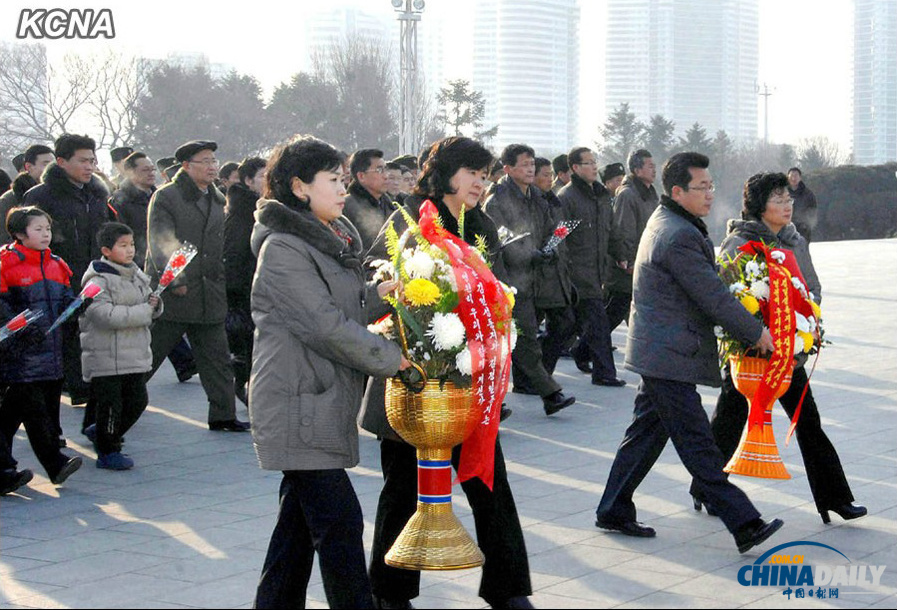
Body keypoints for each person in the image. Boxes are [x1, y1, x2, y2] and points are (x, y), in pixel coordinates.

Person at [361, 136, 535, 610]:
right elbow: (375, 284)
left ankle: (509, 589)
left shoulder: (480, 226)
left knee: (488, 482)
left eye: (486, 174)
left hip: (470, 382)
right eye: (473, 173)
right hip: (416, 382)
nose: (482, 182)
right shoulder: (409, 221)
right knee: (403, 488)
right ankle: (389, 593)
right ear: (446, 174)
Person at [595, 152, 784, 554]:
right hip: (667, 354)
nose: (710, 193)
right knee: (698, 442)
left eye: (711, 185)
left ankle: (612, 507)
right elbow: (711, 295)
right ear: (677, 191)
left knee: (645, 434)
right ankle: (745, 522)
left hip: (660, 350)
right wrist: (755, 331)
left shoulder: (671, 222)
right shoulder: (678, 234)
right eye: (702, 187)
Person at [249, 135, 408, 609]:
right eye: (333, 180)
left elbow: (345, 304)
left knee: (295, 534)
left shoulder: (324, 237)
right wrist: (392, 360)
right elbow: (324, 326)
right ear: (299, 187)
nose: (343, 189)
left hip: (317, 397)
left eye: (343, 179)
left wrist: (388, 293)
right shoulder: (284, 248)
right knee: (339, 526)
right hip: (297, 401)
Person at [694, 172, 866, 525]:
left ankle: (834, 498)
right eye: (778, 200)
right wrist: (755, 331)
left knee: (808, 420)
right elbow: (727, 296)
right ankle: (706, 487)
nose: (787, 206)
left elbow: (810, 286)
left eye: (789, 199)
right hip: (750, 353)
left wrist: (808, 323)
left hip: (788, 352)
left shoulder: (793, 240)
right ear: (759, 206)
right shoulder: (738, 242)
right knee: (730, 421)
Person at [145, 140, 248, 432]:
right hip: (175, 294)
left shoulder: (216, 198)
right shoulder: (167, 197)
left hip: (209, 293)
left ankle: (223, 415)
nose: (213, 165)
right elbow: (161, 241)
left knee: (217, 359)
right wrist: (176, 279)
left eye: (214, 160)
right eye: (205, 161)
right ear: (187, 166)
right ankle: (108, 415)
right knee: (146, 357)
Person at [486, 144, 576, 415]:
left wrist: (552, 245)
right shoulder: (496, 200)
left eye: (531, 164)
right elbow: (500, 237)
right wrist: (530, 253)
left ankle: (528, 389)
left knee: (542, 331)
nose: (530, 170)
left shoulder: (536, 195)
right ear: (508, 168)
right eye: (524, 165)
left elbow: (552, 226)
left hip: (537, 277)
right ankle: (550, 393)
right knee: (524, 339)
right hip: (511, 280)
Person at [22, 134, 112, 407]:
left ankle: (90, 396)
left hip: (94, 278)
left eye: (92, 160)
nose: (90, 166)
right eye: (83, 160)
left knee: (95, 340)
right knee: (60, 344)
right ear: (61, 162)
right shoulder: (40, 197)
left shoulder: (98, 194)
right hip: (54, 280)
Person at [0, 207, 83, 486]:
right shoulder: (6, 263)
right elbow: (3, 309)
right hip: (18, 354)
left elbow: (66, 301)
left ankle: (3, 471)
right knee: (35, 411)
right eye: (38, 229)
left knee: (11, 415)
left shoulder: (57, 264)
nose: (45, 234)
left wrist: (78, 306)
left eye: (47, 228)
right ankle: (54, 463)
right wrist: (20, 327)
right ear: (19, 233)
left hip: (51, 351)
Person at [79, 223, 162, 470]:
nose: (130, 251)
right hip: (107, 356)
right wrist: (145, 311)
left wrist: (156, 305)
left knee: (138, 401)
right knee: (111, 406)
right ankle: (108, 451)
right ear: (106, 250)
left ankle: (103, 432)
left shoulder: (135, 273)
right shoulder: (97, 280)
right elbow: (103, 314)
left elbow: (149, 305)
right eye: (123, 246)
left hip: (134, 353)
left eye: (132, 245)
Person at [558, 147, 624, 387]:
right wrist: (565, 268)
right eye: (588, 163)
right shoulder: (567, 198)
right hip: (576, 273)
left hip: (597, 272)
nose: (594, 167)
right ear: (575, 168)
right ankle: (604, 373)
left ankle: (544, 369)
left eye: (595, 162)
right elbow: (559, 236)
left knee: (569, 326)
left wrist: (620, 255)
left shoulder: (601, 196)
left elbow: (612, 229)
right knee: (593, 323)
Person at [224, 156, 267, 405]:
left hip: (257, 284)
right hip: (245, 288)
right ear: (248, 181)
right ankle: (242, 384)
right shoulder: (243, 211)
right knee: (249, 344)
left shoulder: (261, 207)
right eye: (262, 176)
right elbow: (234, 254)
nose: (267, 181)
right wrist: (237, 292)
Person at [605, 149, 659, 333]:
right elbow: (623, 230)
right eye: (650, 166)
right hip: (627, 267)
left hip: (643, 262)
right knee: (614, 313)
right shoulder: (627, 194)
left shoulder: (650, 193)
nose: (654, 170)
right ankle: (583, 350)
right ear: (637, 170)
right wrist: (626, 260)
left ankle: (585, 350)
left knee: (625, 314)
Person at [533, 156, 576, 377]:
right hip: (537, 274)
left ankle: (543, 372)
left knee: (564, 323)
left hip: (556, 271)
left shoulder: (554, 200)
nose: (550, 179)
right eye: (545, 174)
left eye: (551, 174)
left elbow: (561, 232)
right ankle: (535, 377)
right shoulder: (532, 201)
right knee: (530, 330)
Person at [0, 144, 55, 244]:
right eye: (45, 164)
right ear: (28, 167)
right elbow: (3, 239)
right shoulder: (9, 200)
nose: (50, 169)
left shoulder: (60, 195)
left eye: (53, 164)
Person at [343, 148, 394, 250]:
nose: (386, 176)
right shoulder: (346, 207)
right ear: (361, 176)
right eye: (379, 170)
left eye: (386, 169)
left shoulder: (390, 204)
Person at [786, 167, 818, 242]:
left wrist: (807, 224)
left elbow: (812, 211)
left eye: (796, 176)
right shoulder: (782, 193)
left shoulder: (808, 194)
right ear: (788, 177)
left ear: (800, 178)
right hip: (786, 228)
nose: (793, 179)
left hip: (803, 229)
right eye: (791, 176)